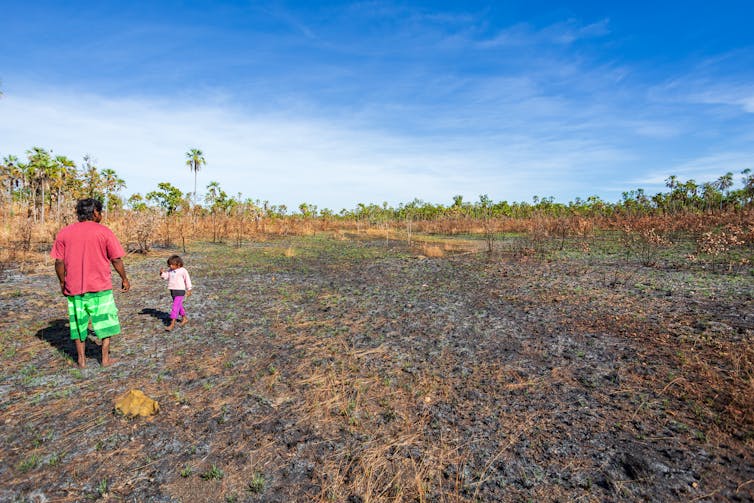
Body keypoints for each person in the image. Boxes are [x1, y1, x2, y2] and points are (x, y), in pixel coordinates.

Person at [51, 198, 130, 368]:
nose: (100, 215)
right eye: (100, 212)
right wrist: (124, 278)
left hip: (74, 289)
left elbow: (58, 262)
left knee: (78, 325)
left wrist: (62, 282)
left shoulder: (65, 232)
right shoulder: (104, 232)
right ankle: (105, 359)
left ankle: (81, 360)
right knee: (105, 323)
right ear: (95, 212)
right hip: (100, 288)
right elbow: (116, 259)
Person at [159, 255, 192, 331]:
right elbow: (165, 277)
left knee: (175, 307)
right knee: (179, 306)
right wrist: (161, 273)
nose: (170, 266)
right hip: (173, 291)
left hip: (180, 291)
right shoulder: (170, 271)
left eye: (172, 264)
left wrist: (189, 289)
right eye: (169, 264)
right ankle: (184, 318)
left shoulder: (183, 271)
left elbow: (187, 279)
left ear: (178, 264)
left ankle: (172, 324)